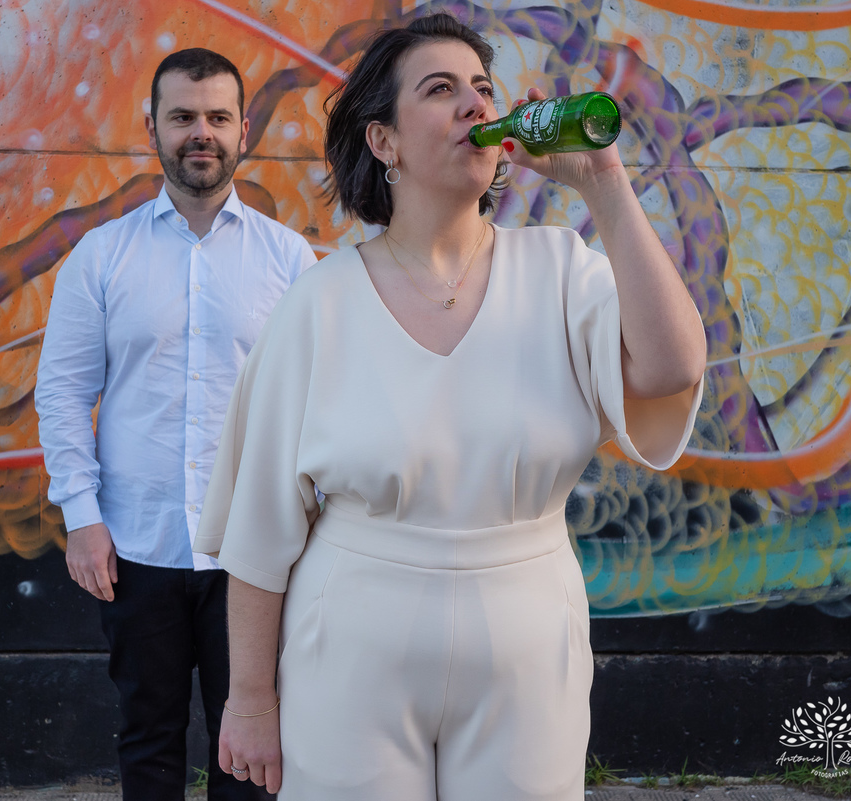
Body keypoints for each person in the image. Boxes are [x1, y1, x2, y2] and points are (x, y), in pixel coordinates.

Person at [192, 13, 708, 801]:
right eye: (440, 90)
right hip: (352, 640)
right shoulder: (319, 303)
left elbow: (672, 366)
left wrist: (604, 184)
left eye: (483, 89)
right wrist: (251, 698)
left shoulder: (560, 272)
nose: (474, 105)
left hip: (529, 636)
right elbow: (261, 532)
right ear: (384, 142)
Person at [35, 48, 316, 801]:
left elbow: (315, 404)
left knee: (252, 748)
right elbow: (62, 393)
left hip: (253, 554)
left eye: (218, 117)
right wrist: (82, 517)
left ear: (243, 130)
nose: (202, 133)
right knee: (147, 737)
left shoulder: (291, 263)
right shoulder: (100, 256)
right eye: (184, 116)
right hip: (137, 547)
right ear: (152, 126)